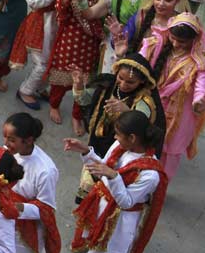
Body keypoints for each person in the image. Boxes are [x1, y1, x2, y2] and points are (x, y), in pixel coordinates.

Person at [62, 111, 168, 253]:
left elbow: (127, 201)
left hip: (117, 226)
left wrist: (113, 176)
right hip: (102, 212)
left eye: (118, 135)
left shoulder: (150, 174)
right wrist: (86, 152)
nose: (115, 138)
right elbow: (104, 168)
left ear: (133, 138)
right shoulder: (121, 148)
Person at [137, 13, 205, 180]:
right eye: (173, 38)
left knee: (170, 153)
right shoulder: (156, 46)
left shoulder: (201, 62)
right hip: (152, 106)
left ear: (195, 40)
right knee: (144, 146)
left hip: (181, 113)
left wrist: (199, 102)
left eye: (182, 42)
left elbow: (201, 87)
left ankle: (159, 189)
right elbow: (138, 64)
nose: (176, 44)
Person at [71, 52, 166, 203]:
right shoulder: (107, 86)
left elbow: (143, 126)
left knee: (110, 196)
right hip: (97, 145)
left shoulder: (144, 101)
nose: (122, 84)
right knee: (86, 197)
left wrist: (127, 111)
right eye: (120, 78)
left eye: (130, 82)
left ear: (141, 82)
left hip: (121, 152)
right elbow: (85, 102)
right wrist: (78, 86)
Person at [2, 113, 66, 253]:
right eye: (5, 138)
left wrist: (17, 207)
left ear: (28, 140)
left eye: (11, 139)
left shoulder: (45, 171)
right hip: (3, 218)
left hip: (26, 228)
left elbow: (46, 209)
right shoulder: (9, 152)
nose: (6, 144)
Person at [46, 0, 111, 134]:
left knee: (83, 80)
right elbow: (60, 8)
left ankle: (76, 115)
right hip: (71, 39)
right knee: (61, 77)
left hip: (90, 44)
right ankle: (54, 104)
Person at [79, 0, 151, 73]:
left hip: (142, 45)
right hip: (116, 43)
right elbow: (90, 14)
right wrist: (81, 0)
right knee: (110, 80)